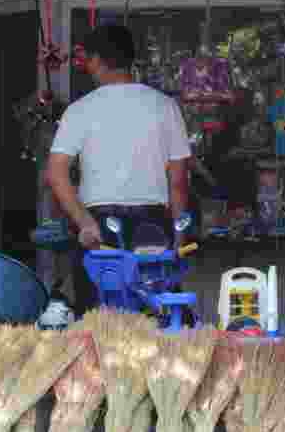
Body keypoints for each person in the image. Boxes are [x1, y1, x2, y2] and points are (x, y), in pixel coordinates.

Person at [47, 24, 192, 317]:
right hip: (153, 228)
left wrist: (83, 221)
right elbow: (177, 182)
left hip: (99, 229)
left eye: (87, 59)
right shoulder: (165, 106)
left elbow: (55, 174)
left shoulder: (79, 110)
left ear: (98, 60)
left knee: (100, 324)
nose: (87, 66)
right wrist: (179, 234)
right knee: (156, 320)